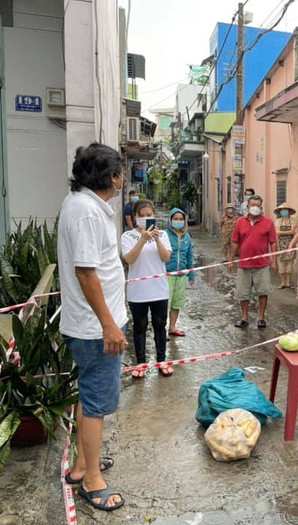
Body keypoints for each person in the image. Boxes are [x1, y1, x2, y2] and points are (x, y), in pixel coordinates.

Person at [58, 143, 128, 511]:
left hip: (93, 325)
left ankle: (83, 464)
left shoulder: (85, 206)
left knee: (90, 397)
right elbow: (86, 273)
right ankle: (92, 482)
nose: (122, 180)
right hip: (94, 328)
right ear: (112, 177)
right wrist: (109, 325)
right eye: (120, 173)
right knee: (98, 403)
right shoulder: (86, 211)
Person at [121, 199, 173, 378]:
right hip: (138, 292)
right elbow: (129, 259)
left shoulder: (163, 235)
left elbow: (166, 258)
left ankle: (161, 360)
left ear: (154, 216)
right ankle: (141, 363)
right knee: (140, 326)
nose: (145, 218)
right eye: (141, 216)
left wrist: (156, 239)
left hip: (159, 290)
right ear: (135, 217)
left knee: (160, 325)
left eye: (148, 215)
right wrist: (142, 239)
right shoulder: (127, 236)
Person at [229, 195, 278, 329]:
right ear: (248, 207)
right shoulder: (240, 222)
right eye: (253, 205)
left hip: (262, 264)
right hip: (244, 264)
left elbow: (273, 242)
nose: (255, 207)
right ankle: (244, 317)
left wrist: (274, 260)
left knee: (263, 291)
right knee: (243, 292)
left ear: (261, 207)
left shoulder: (268, 222)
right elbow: (235, 241)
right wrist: (231, 259)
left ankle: (261, 317)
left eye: (258, 205)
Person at [165, 207, 195, 337]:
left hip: (181, 275)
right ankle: (161, 330)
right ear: (170, 220)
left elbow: (189, 256)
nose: (178, 221)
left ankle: (172, 327)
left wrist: (191, 274)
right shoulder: (164, 235)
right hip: (167, 275)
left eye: (181, 219)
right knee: (165, 303)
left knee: (177, 302)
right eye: (175, 219)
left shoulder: (186, 236)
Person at [274, 202, 298, 289]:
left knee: (289, 264)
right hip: (280, 244)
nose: (284, 212)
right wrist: (286, 232)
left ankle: (288, 282)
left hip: (290, 244)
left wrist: (282, 232)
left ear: (289, 211)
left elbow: (292, 231)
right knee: (281, 264)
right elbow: (277, 232)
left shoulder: (293, 220)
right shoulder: (278, 221)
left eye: (285, 210)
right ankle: (282, 282)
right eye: (282, 210)